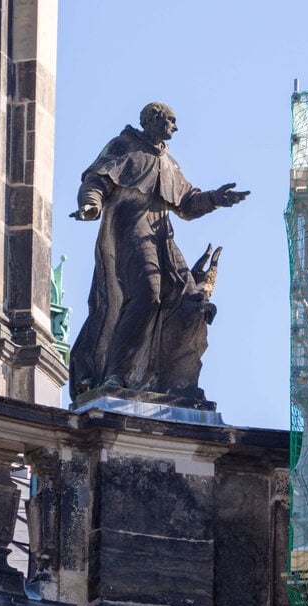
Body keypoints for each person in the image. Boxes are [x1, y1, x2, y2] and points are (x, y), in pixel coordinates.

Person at [68, 102, 248, 399]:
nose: (175, 127)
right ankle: (117, 373)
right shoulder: (125, 146)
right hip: (131, 230)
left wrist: (216, 198)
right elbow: (96, 180)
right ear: (153, 119)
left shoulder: (169, 161)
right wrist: (91, 204)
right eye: (171, 120)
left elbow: (187, 202)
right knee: (148, 297)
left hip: (161, 234)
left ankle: (175, 380)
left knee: (192, 301)